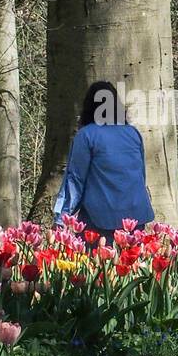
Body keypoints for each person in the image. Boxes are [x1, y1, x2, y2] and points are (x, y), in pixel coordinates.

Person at [52, 81, 154, 245]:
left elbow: (75, 180)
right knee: (129, 267)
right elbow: (141, 176)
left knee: (97, 268)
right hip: (136, 217)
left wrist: (61, 218)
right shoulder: (133, 133)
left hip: (100, 219)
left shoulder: (86, 135)